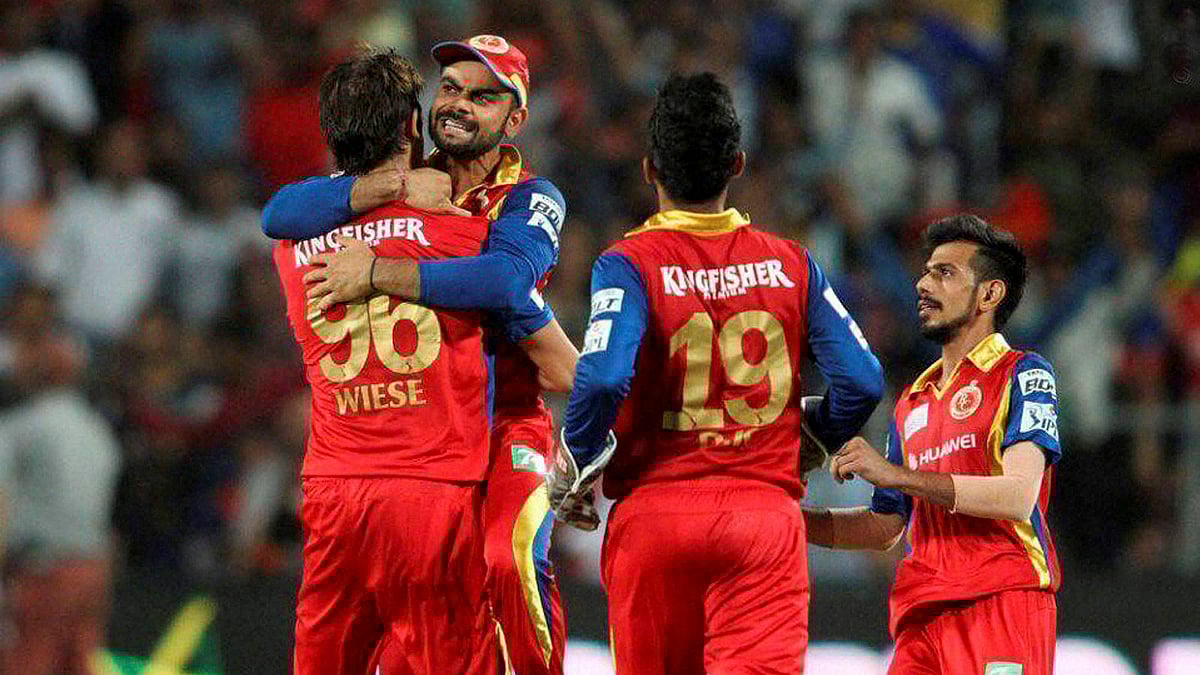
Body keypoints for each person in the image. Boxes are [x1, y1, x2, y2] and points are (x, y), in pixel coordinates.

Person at [546, 73, 884, 674]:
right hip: (763, 520)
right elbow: (861, 379)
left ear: (649, 169)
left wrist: (575, 462)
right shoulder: (791, 263)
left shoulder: (628, 264)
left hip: (655, 518)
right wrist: (815, 438)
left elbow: (600, 380)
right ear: (738, 163)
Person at [262, 35, 571, 675]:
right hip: (433, 458)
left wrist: (379, 271)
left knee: (507, 559)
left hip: (501, 421)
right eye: (450, 89)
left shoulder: (529, 199)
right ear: (416, 115)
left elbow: (508, 283)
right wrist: (389, 189)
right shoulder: (422, 200)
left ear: (514, 121)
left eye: (483, 96)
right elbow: (278, 209)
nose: (458, 105)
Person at [804, 214, 1061, 675]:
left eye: (945, 273)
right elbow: (886, 526)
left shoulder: (1023, 373)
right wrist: (787, 520)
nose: (924, 283)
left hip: (999, 603)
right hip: (920, 616)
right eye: (926, 271)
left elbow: (1018, 495)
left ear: (989, 293)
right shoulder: (912, 400)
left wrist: (894, 474)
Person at [0, 284, 120, 675]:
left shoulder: (21, 428)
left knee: (29, 664)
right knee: (79, 664)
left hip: (43, 571)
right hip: (93, 569)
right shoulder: (98, 431)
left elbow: (3, 503)